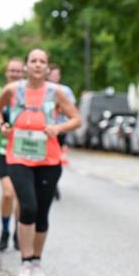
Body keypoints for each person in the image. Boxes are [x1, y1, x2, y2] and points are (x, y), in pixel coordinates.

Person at [0, 49, 80, 276]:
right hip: (18, 157)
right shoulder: (13, 90)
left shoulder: (56, 92)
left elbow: (76, 119)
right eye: (33, 61)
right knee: (27, 207)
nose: (38, 65)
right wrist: (2, 125)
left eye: (42, 61)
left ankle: (37, 261)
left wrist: (58, 129)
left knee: (41, 213)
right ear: (27, 66)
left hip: (48, 160)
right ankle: (25, 262)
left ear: (47, 68)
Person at [0, 58, 24, 250]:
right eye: (12, 71)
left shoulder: (26, 93)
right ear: (6, 73)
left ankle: (18, 231)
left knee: (20, 195)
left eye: (18, 71)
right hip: (3, 149)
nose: (15, 74)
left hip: (22, 150)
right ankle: (5, 231)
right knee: (9, 193)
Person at [47, 64, 76, 201]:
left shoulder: (65, 90)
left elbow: (72, 111)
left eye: (57, 74)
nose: (54, 77)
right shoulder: (43, 89)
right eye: (52, 74)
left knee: (57, 159)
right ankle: (47, 184)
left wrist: (60, 107)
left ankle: (53, 184)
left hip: (60, 130)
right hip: (46, 130)